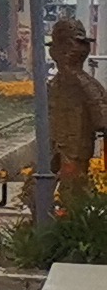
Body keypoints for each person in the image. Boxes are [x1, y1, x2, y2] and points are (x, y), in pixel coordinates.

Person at [45, 17, 107, 209]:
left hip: (76, 149)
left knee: (73, 188)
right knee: (39, 184)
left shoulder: (85, 85)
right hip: (52, 144)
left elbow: (102, 120)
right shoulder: (54, 84)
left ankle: (73, 227)